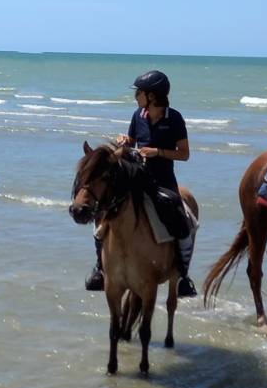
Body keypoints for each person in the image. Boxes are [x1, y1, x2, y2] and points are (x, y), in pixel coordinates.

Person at [85, 69, 198, 298]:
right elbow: (131, 143)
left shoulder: (174, 119)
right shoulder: (138, 115)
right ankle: (100, 268)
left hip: (163, 181)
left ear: (152, 96)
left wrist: (158, 152)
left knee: (179, 216)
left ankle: (183, 275)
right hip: (136, 179)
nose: (136, 96)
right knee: (103, 212)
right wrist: (125, 141)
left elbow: (184, 154)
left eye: (139, 93)